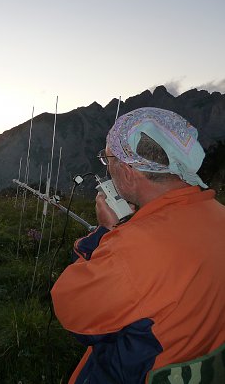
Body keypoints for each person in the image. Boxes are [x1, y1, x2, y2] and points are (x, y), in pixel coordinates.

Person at [51, 107, 225, 383]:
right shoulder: (218, 214)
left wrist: (105, 233)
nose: (107, 168)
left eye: (108, 159)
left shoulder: (131, 248)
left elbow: (73, 313)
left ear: (129, 172)